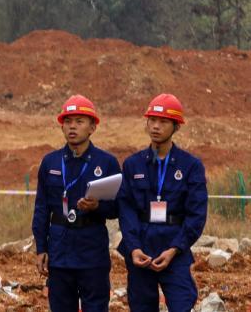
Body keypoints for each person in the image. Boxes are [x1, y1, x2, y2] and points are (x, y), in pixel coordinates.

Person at [117, 93, 208, 312]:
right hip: (141, 250)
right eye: (152, 120)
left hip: (174, 247)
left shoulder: (191, 166)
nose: (156, 126)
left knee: (182, 303)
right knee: (141, 306)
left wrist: (176, 248)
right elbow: (126, 208)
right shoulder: (132, 164)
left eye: (163, 122)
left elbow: (196, 213)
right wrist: (134, 247)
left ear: (176, 126)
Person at [31, 95, 121, 312]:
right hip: (60, 249)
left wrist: (97, 207)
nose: (72, 127)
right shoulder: (50, 162)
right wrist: (41, 248)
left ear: (92, 127)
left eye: (79, 121)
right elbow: (41, 208)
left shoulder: (106, 163)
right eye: (68, 121)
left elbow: (118, 207)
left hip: (92, 250)